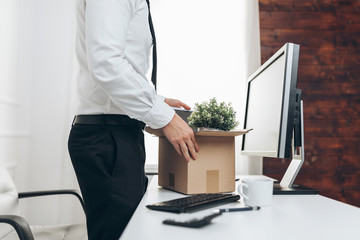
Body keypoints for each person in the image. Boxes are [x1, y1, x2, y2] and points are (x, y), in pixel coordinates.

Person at [68, 0, 200, 239]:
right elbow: (107, 63)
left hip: (116, 132)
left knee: (127, 230)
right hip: (108, 136)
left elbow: (120, 63)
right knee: (121, 234)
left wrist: (157, 101)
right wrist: (166, 119)